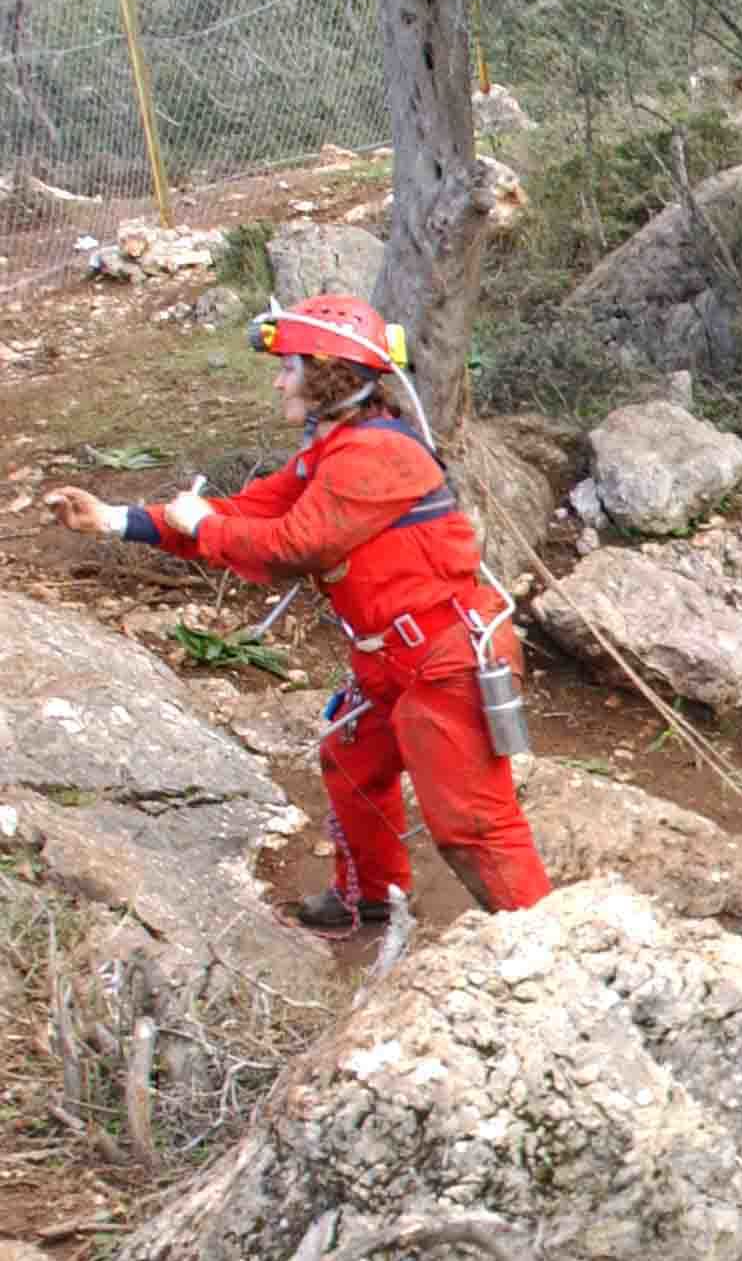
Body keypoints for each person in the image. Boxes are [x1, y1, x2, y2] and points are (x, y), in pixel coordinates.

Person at [40, 294, 551, 926]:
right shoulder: (334, 452)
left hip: (443, 663)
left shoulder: (377, 455)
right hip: (396, 657)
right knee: (351, 757)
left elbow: (293, 545)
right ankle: (371, 899)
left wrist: (204, 523)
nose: (281, 380)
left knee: (473, 823)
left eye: (290, 367)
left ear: (328, 373)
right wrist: (116, 521)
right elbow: (246, 514)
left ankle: (541, 948)